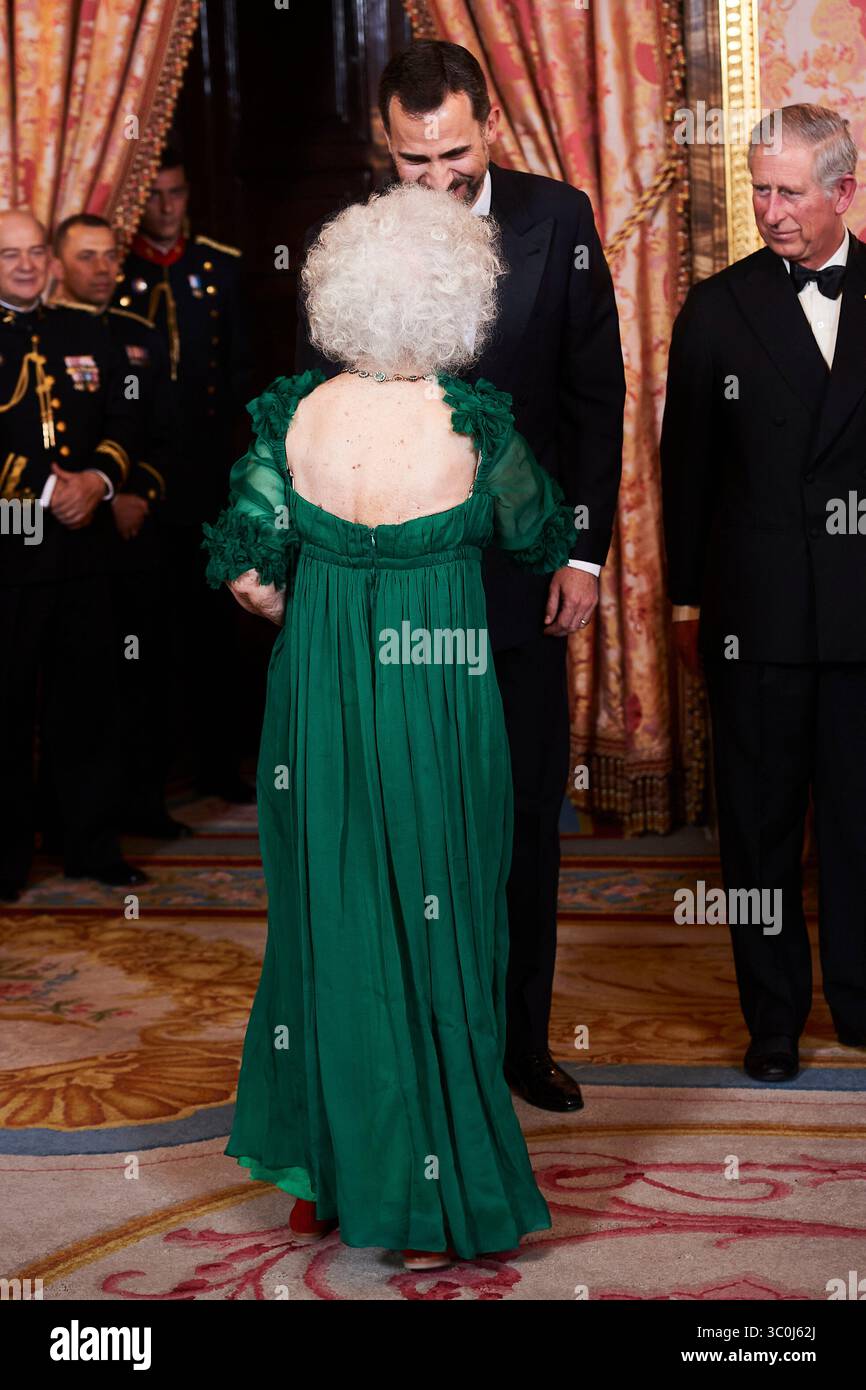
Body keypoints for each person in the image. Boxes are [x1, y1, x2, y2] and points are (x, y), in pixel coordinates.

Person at [202, 183, 578, 1267]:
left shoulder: (296, 418)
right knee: (442, 916)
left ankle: (327, 1170)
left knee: (328, 915)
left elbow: (243, 566)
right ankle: (435, 1179)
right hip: (437, 693)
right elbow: (540, 534)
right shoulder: (476, 424)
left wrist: (306, 597)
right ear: (463, 303)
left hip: (317, 696)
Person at [295, 40, 625, 1112]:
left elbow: (594, 399)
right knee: (404, 810)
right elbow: (314, 405)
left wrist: (581, 550)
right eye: (411, 159)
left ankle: (517, 1043)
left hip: (518, 576)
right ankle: (416, 1045)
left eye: (452, 153)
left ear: (489, 126)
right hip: (395, 580)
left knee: (521, 809)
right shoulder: (352, 240)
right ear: (384, 146)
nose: (434, 179)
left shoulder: (558, 221)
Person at [661, 104, 866, 1082]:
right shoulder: (714, 307)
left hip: (863, 612)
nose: (769, 210)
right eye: (757, 189)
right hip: (758, 618)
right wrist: (686, 602)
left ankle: (860, 1001)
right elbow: (685, 471)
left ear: (842, 191)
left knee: (862, 822)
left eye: (787, 191)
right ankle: (772, 1016)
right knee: (756, 829)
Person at [0, 209, 147, 898]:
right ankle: (6, 861)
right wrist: (40, 487)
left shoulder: (86, 329)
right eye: (10, 255)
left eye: (35, 252)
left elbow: (126, 415)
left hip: (85, 550)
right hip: (10, 552)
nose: (26, 264)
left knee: (89, 705)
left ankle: (91, 845)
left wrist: (99, 480)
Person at [115, 147, 254, 803]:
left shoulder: (219, 266)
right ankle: (148, 778)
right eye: (156, 196)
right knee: (145, 632)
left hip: (207, 475)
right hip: (139, 478)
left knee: (214, 629)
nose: (166, 209)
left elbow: (239, 375)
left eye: (176, 194)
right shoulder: (119, 274)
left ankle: (221, 767)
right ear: (139, 200)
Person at [51, 212, 189, 840]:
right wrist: (104, 498)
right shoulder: (41, 334)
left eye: (110, 256)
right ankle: (76, 823)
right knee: (82, 686)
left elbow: (162, 430)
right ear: (58, 265)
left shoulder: (142, 337)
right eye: (87, 258)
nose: (103, 269)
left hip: (138, 531)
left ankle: (143, 804)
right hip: (68, 535)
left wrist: (139, 495)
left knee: (147, 674)